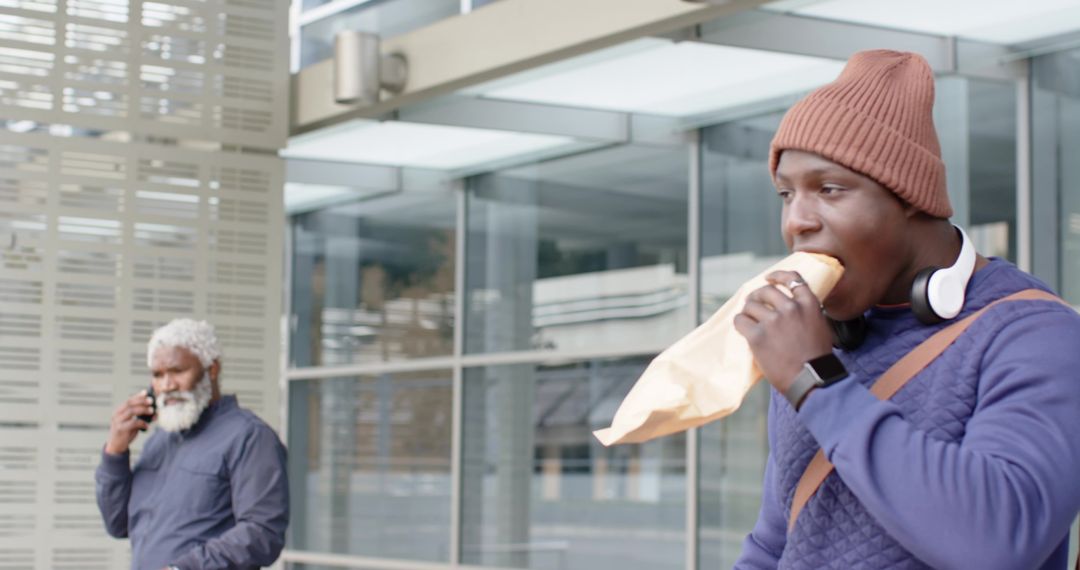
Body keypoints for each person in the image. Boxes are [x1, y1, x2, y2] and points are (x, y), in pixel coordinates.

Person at [731, 50, 1080, 569]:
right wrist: (811, 374)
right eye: (786, 193)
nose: (796, 222)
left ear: (909, 195)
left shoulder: (1038, 335)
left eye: (829, 189)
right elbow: (774, 545)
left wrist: (818, 382)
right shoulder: (817, 340)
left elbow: (997, 544)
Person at [95, 318, 289, 570]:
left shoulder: (250, 436)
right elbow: (118, 524)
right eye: (158, 375)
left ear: (212, 370)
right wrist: (115, 451)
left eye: (177, 371)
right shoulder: (160, 439)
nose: (167, 385)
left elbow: (263, 532)